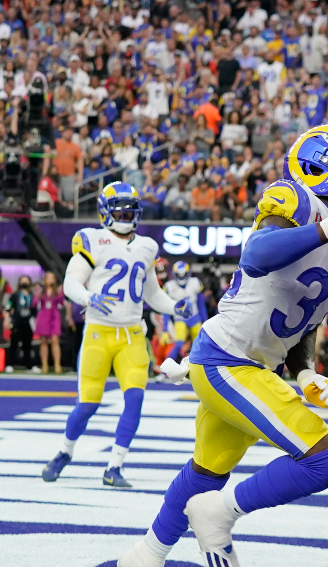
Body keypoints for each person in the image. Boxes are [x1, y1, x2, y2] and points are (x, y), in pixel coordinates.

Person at [117, 124, 328, 567]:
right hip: (228, 360)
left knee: (204, 473)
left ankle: (143, 557)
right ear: (315, 166)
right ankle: (217, 514)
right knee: (324, 461)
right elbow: (257, 255)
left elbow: (307, 317)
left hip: (253, 365)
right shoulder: (295, 199)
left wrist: (306, 370)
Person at [42, 182, 195, 489]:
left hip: (132, 335)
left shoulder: (147, 247)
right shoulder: (90, 239)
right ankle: (65, 451)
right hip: (99, 332)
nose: (126, 214)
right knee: (87, 405)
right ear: (105, 211)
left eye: (130, 208)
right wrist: (87, 298)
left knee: (135, 399)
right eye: (119, 208)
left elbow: (152, 293)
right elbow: (71, 282)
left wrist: (174, 308)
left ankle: (115, 466)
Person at [163, 261, 203, 360]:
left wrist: (205, 322)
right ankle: (165, 370)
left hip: (195, 317)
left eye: (183, 274)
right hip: (179, 318)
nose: (181, 276)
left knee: (200, 345)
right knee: (179, 343)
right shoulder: (169, 286)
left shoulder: (195, 282)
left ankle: (201, 370)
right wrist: (165, 330)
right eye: (179, 274)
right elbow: (166, 309)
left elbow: (200, 304)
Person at [34, 272, 66, 374]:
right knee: (43, 341)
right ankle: (44, 364)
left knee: (55, 340)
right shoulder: (41, 291)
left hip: (54, 316)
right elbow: (34, 304)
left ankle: (57, 364)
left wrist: (61, 293)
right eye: (48, 277)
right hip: (43, 316)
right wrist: (37, 294)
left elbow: (61, 303)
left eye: (52, 278)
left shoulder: (57, 291)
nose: (50, 280)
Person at [10, 276, 36, 369]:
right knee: (14, 343)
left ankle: (29, 365)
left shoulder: (32, 295)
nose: (24, 283)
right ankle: (10, 364)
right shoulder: (15, 295)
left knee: (28, 344)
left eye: (26, 281)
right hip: (17, 321)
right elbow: (8, 306)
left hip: (28, 322)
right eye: (22, 281)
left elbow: (35, 309)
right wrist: (7, 318)